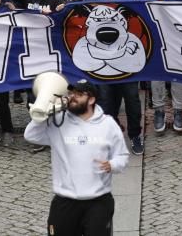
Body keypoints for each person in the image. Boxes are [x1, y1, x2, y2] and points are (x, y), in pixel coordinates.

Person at [23, 80, 130, 236]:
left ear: (91, 99)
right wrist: (42, 113)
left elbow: (122, 156)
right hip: (64, 202)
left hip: (98, 202)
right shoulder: (58, 121)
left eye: (79, 95)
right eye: (71, 93)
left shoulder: (108, 124)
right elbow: (30, 135)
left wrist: (112, 164)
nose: (72, 97)